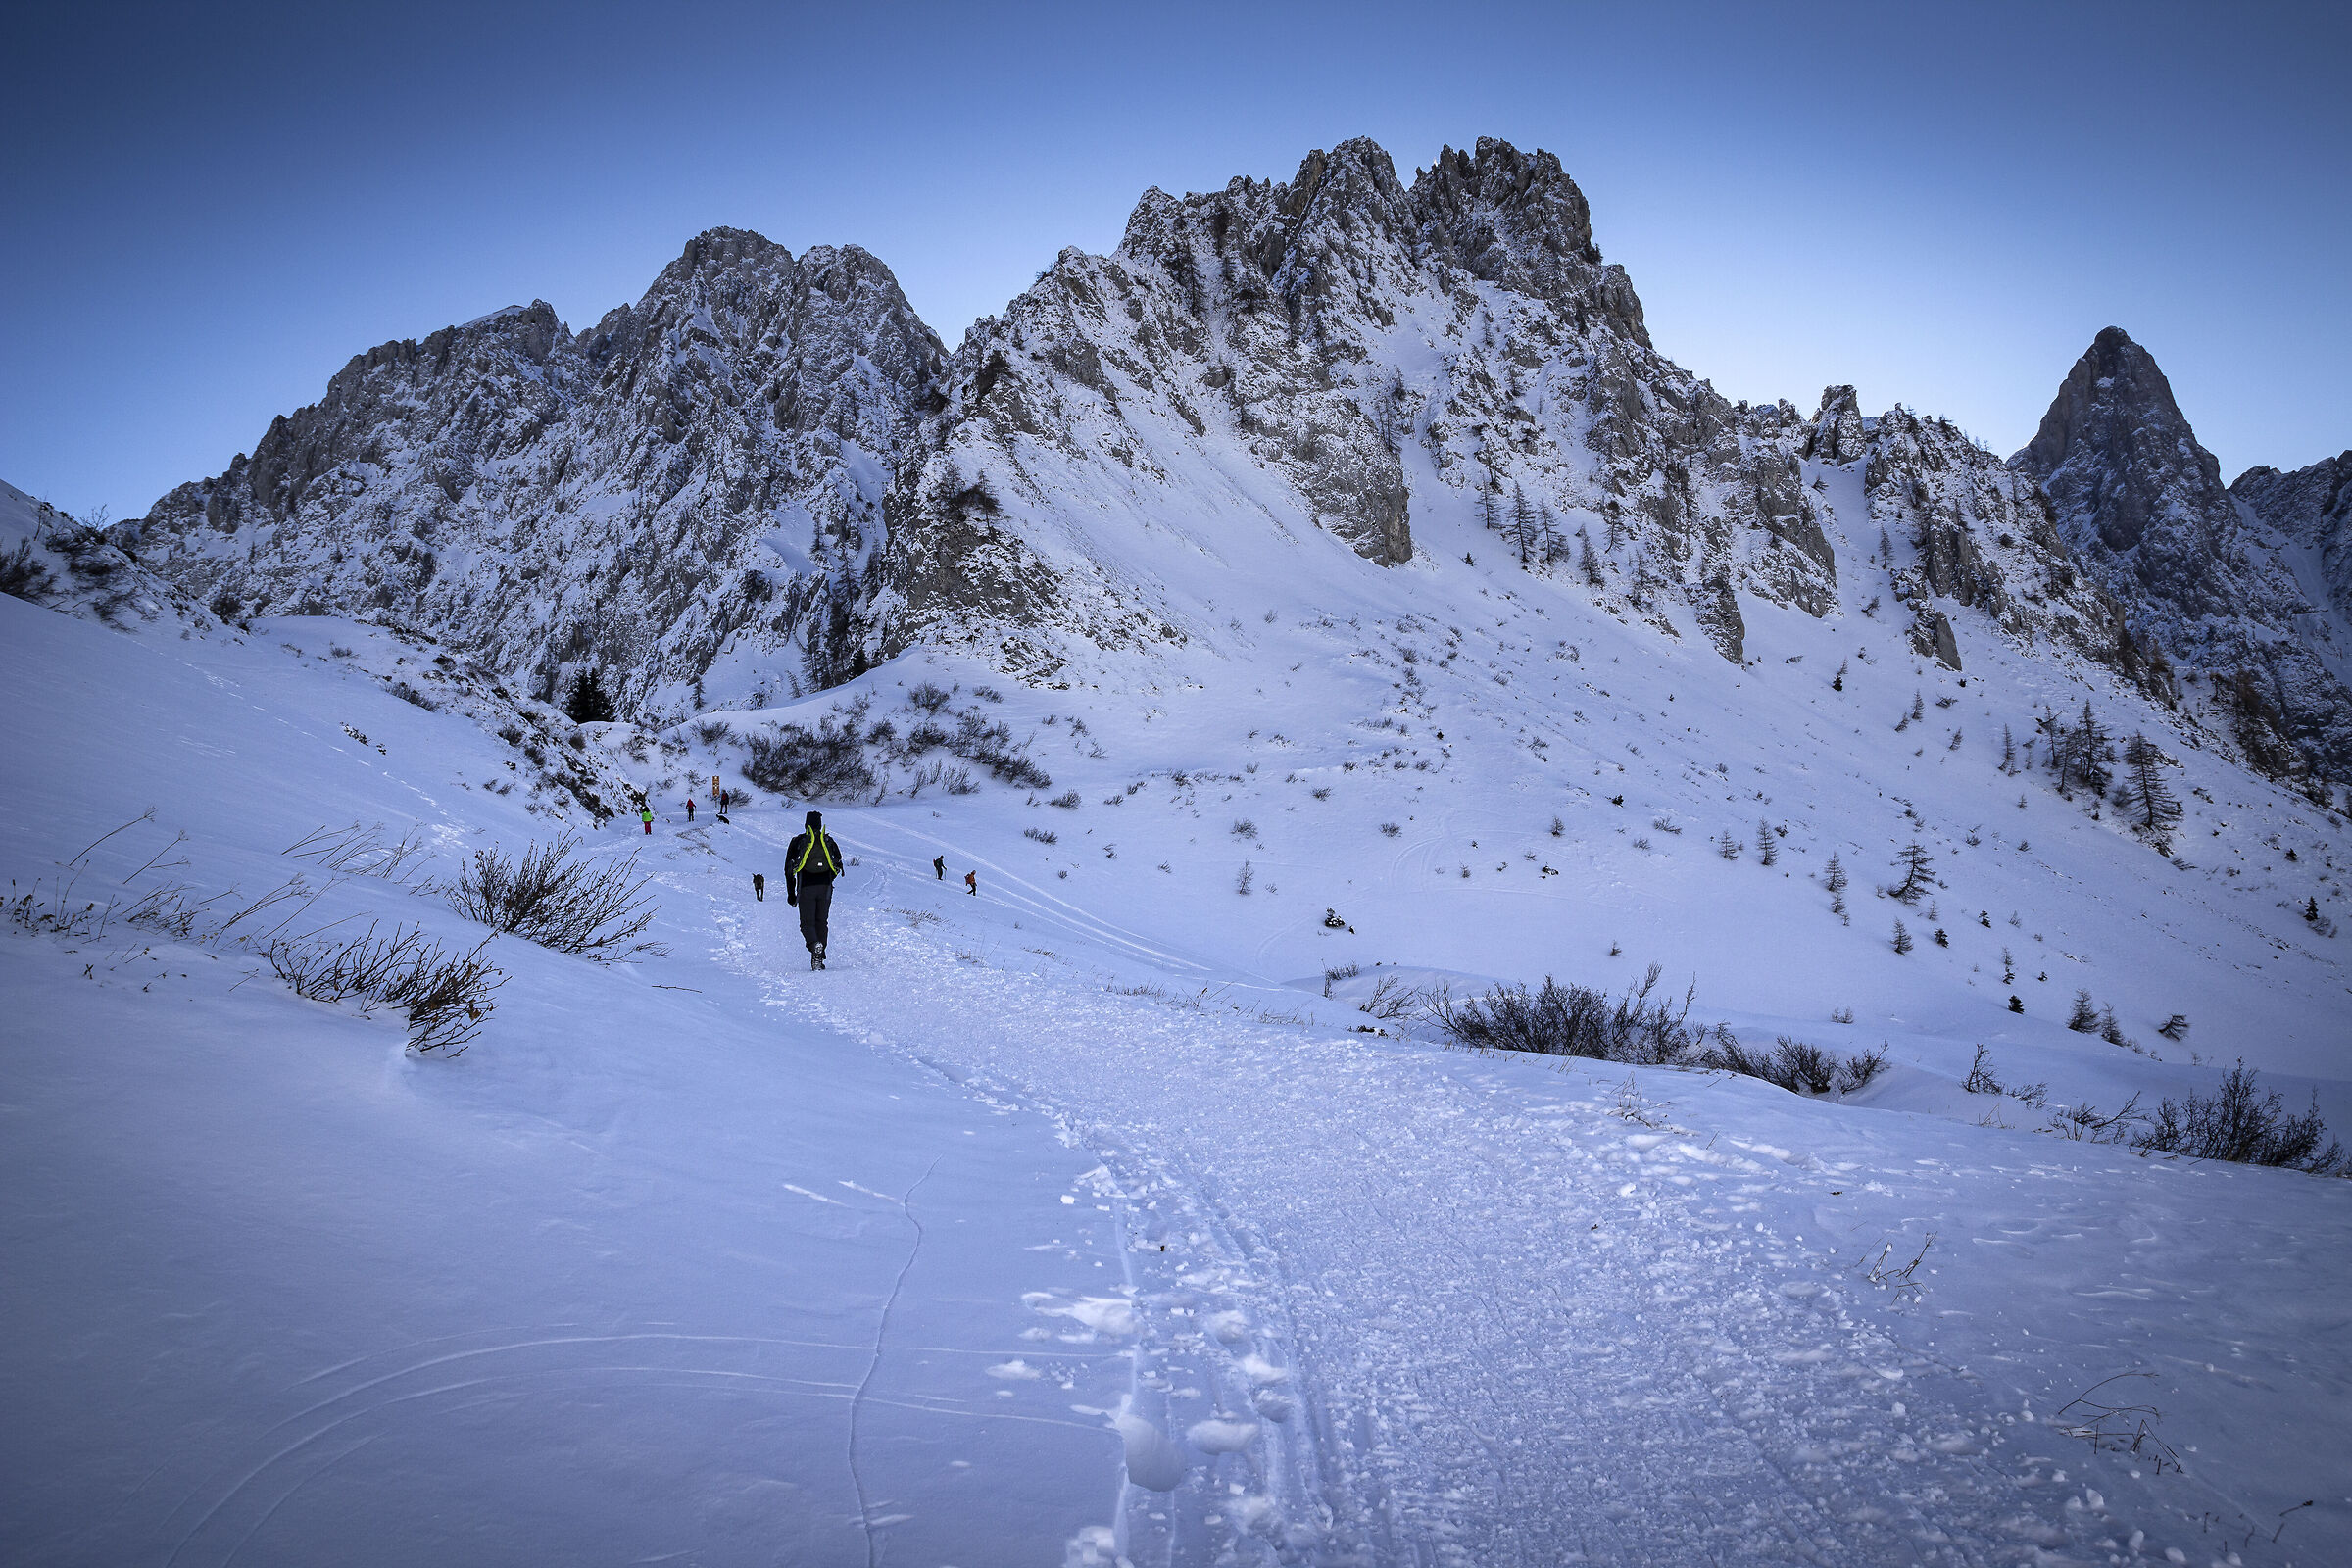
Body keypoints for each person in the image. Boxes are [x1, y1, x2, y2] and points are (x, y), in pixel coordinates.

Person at [784, 809, 845, 969]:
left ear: (806, 825)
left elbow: (788, 869)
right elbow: (838, 863)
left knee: (807, 923)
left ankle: (814, 945)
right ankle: (819, 958)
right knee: (821, 922)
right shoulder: (829, 841)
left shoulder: (798, 841)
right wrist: (828, 880)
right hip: (825, 888)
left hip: (806, 887)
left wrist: (791, 893)